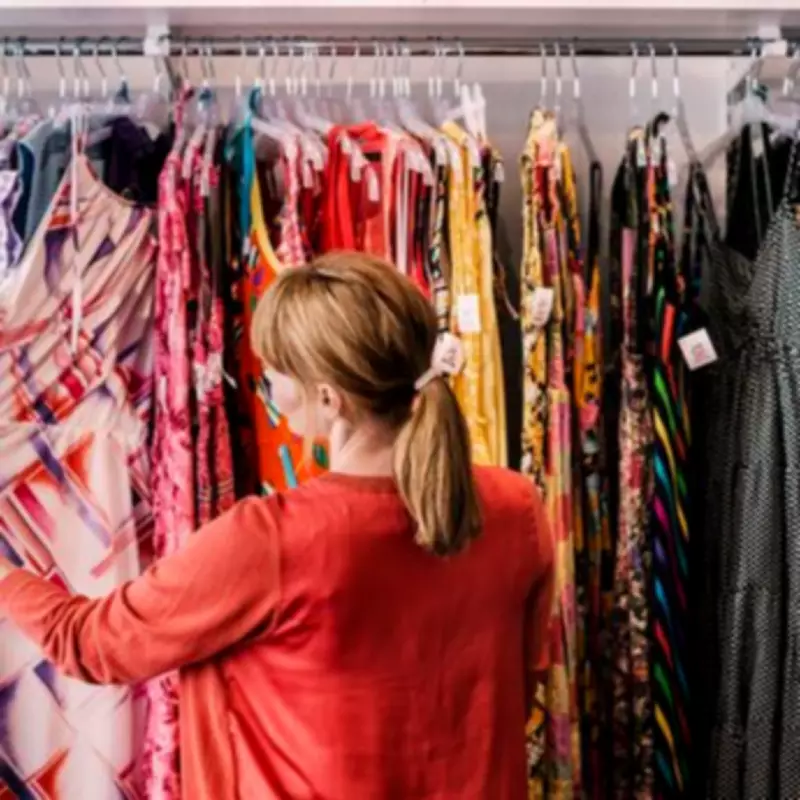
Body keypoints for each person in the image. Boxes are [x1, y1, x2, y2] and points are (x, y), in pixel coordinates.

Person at [0, 251, 554, 799]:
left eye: (273, 376)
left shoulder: (273, 541)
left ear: (329, 398)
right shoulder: (516, 507)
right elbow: (520, 686)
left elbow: (93, 643)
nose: (268, 390)